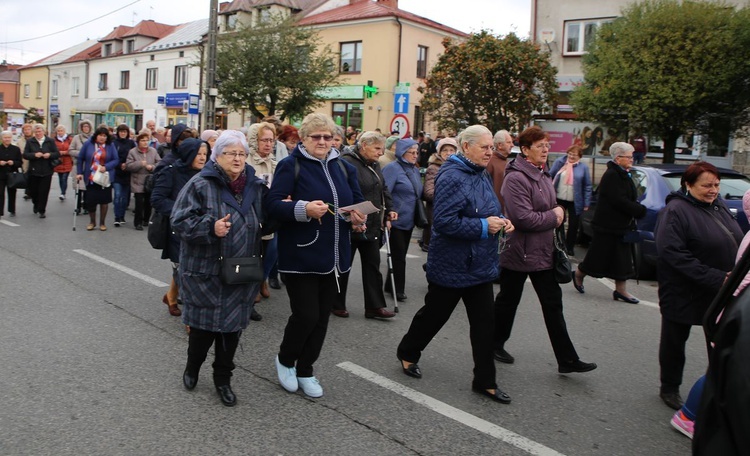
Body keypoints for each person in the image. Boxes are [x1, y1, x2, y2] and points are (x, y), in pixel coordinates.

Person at [397, 125, 515, 404]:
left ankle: (485, 381)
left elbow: (488, 208)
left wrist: (501, 221)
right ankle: (408, 351)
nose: (491, 151)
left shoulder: (480, 171)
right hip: (452, 262)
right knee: (435, 316)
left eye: (491, 147)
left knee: (485, 323)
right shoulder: (452, 176)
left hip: (480, 262)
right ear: (466, 148)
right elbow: (446, 223)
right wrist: (486, 225)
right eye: (485, 147)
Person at [266, 113, 365, 398]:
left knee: (322, 318)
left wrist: (358, 217)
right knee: (306, 315)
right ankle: (286, 360)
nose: (323, 141)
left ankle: (306, 369)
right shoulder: (290, 165)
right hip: (301, 255)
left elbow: (355, 202)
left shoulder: (343, 167)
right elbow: (272, 204)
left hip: (335, 256)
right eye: (316, 137)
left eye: (328, 137)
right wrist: (303, 209)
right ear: (304, 139)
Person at [171, 130, 266, 407]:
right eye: (231, 153)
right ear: (217, 155)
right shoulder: (200, 183)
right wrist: (210, 228)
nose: (237, 159)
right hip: (206, 270)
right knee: (202, 329)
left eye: (241, 153)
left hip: (240, 269)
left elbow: (269, 219)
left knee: (231, 330)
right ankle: (192, 367)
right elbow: (179, 221)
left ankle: (222, 379)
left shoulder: (254, 186)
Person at [493, 125, 597, 373]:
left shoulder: (543, 173)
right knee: (508, 301)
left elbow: (548, 207)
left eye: (547, 145)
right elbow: (523, 219)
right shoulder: (516, 178)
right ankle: (493, 344)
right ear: (526, 150)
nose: (546, 149)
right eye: (540, 146)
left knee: (553, 304)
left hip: (542, 251)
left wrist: (555, 213)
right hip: (519, 251)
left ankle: (567, 359)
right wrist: (556, 215)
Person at [654, 161, 742, 410]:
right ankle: (669, 387)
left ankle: (718, 388)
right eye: (706, 185)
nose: (713, 190)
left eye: (716, 184)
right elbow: (672, 253)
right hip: (683, 290)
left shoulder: (718, 205)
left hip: (719, 290)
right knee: (675, 341)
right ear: (689, 185)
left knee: (719, 341)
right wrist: (716, 277)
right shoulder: (675, 211)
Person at [573, 142, 647, 303]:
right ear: (618, 158)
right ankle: (579, 273)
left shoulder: (623, 173)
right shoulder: (612, 175)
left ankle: (621, 291)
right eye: (629, 157)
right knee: (597, 257)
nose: (632, 159)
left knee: (622, 259)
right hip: (607, 226)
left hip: (621, 225)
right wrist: (638, 210)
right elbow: (619, 200)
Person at [335, 131, 398, 319]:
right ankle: (336, 303)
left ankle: (374, 306)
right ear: (364, 146)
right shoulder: (346, 162)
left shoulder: (374, 164)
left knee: (373, 265)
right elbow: (343, 193)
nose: (381, 152)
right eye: (377, 148)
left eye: (382, 148)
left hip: (371, 224)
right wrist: (351, 217)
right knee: (344, 265)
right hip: (351, 223)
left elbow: (382, 188)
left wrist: (390, 209)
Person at [151, 138, 208, 317]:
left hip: (200, 227)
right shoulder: (171, 172)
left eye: (205, 154)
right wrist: (181, 211)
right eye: (198, 154)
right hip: (177, 230)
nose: (202, 158)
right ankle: (192, 318)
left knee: (187, 268)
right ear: (188, 154)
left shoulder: (206, 174)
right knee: (184, 270)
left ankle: (171, 297)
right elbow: (157, 199)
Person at [382, 138, 421, 302]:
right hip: (396, 218)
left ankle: (389, 285)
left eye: (416, 153)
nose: (415, 155)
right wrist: (387, 213)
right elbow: (385, 192)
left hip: (409, 219)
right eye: (411, 152)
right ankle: (398, 289)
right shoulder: (392, 169)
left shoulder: (414, 170)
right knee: (398, 256)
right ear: (401, 153)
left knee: (402, 253)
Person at [245, 122, 278, 310]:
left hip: (269, 212)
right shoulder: (246, 160)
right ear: (254, 141)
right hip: (251, 213)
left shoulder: (274, 161)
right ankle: (253, 285)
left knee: (272, 249)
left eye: (271, 140)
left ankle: (262, 279)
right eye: (264, 140)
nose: (268, 144)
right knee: (253, 252)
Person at [549, 145, 592, 256]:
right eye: (570, 154)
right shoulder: (560, 162)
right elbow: (549, 176)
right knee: (559, 222)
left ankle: (569, 247)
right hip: (559, 198)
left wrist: (587, 202)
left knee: (573, 225)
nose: (572, 156)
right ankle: (559, 244)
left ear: (580, 157)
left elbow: (587, 186)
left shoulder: (583, 168)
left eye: (575, 155)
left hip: (575, 200)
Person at [76, 126, 119, 231]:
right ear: (96, 135)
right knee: (91, 201)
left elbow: (116, 160)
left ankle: (102, 223)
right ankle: (92, 222)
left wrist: (106, 167)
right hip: (91, 177)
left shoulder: (110, 145)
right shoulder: (88, 144)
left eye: (104, 136)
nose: (102, 138)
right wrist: (79, 172)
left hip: (104, 177)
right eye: (100, 135)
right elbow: (80, 158)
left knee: (104, 201)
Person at [419, 137, 457, 252]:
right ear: (439, 152)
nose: (448, 153)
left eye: (451, 150)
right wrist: (452, 196)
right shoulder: (434, 168)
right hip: (436, 213)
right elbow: (429, 193)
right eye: (445, 150)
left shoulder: (457, 167)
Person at [23, 124, 60, 219]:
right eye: (36, 132)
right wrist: (34, 155)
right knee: (34, 191)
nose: (38, 133)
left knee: (44, 191)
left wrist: (50, 154)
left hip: (47, 170)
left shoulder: (50, 141)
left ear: (44, 132)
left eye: (40, 131)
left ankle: (42, 210)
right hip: (34, 170)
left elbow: (57, 154)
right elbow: (25, 155)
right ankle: (36, 203)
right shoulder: (30, 141)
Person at [125, 132, 160, 230]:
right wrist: (140, 164)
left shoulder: (153, 151)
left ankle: (146, 219)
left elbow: (160, 163)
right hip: (137, 181)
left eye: (147, 140)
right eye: (143, 140)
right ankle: (138, 223)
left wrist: (152, 167)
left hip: (149, 180)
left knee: (148, 202)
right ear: (138, 142)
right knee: (139, 203)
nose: (145, 142)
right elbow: (128, 166)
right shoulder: (133, 152)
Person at [69, 120, 94, 215]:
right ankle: (77, 206)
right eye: (84, 127)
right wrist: (80, 154)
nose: (86, 128)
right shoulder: (76, 138)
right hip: (78, 165)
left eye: (87, 126)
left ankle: (87, 206)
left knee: (88, 187)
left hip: (89, 166)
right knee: (78, 187)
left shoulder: (93, 138)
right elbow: (70, 150)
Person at [113, 124, 135, 227]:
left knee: (125, 197)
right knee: (117, 195)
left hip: (127, 172)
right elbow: (112, 157)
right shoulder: (114, 143)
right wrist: (119, 164)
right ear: (118, 132)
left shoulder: (131, 143)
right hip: (117, 172)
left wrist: (127, 164)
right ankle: (117, 217)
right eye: (121, 131)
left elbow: (134, 156)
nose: (122, 133)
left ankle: (122, 216)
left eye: (124, 132)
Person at [487, 129, 514, 215]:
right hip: (494, 213)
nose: (512, 145)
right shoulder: (489, 162)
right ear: (500, 145)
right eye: (509, 142)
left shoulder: (506, 163)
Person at [0, 131, 23, 218]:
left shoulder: (16, 149)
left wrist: (13, 162)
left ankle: (12, 209)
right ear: (2, 139)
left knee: (12, 192)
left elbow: (20, 162)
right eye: (5, 137)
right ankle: (0, 211)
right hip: (1, 174)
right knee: (0, 193)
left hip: (12, 174)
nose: (7, 139)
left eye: (9, 137)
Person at [52, 125, 73, 201]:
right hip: (59, 162)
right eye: (59, 131)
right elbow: (53, 149)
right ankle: (62, 191)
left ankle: (63, 193)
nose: (60, 132)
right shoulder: (54, 140)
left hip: (67, 161)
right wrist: (58, 153)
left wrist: (65, 152)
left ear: (64, 131)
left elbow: (71, 149)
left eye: (61, 131)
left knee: (65, 178)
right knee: (60, 178)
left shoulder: (69, 139)